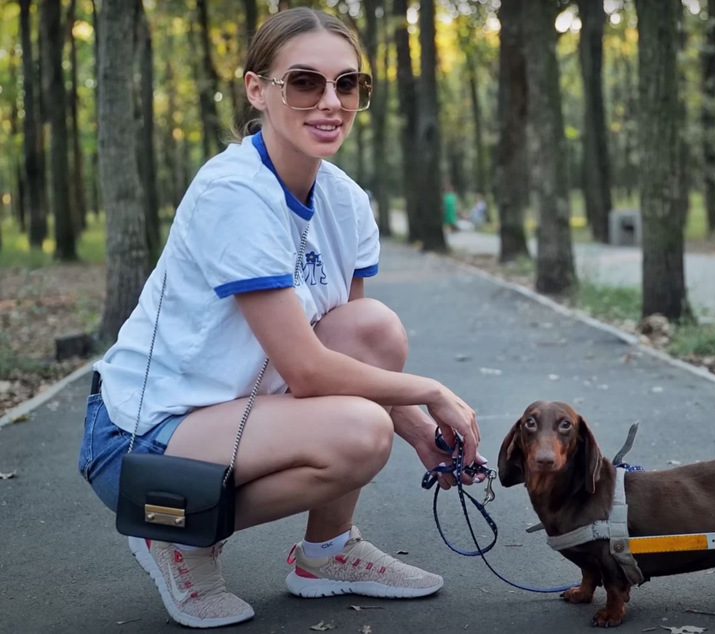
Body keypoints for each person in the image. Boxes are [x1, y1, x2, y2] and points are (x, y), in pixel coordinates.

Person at [77, 8, 483, 629]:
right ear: (257, 90)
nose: (330, 102)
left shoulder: (345, 201)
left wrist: (421, 431)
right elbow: (309, 371)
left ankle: (328, 552)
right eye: (304, 82)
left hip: (244, 410)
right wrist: (430, 396)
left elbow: (347, 352)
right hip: (146, 433)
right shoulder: (234, 193)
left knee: (373, 329)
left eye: (348, 84)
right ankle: (174, 534)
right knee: (361, 433)